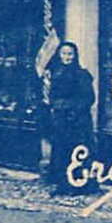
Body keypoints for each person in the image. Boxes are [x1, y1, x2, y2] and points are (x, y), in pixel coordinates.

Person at [45, 41, 98, 195]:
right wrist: (55, 105)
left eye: (70, 54)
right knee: (62, 152)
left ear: (75, 56)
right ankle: (62, 184)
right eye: (64, 54)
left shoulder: (81, 74)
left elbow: (88, 98)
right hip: (61, 120)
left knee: (77, 153)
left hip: (77, 121)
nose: (67, 57)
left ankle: (79, 184)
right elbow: (52, 95)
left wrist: (70, 108)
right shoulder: (57, 73)